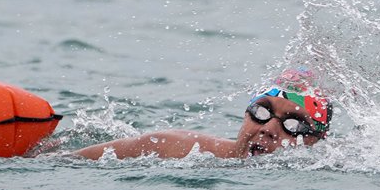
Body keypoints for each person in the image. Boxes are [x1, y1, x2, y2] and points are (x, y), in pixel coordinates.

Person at [74, 68, 333, 160]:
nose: (268, 129)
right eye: (262, 112)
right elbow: (56, 161)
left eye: (293, 125)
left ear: (316, 140)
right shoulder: (172, 148)